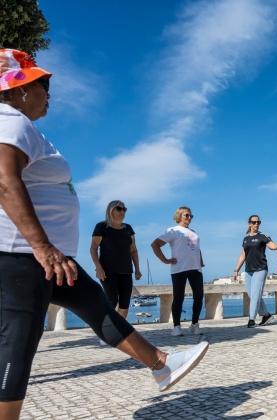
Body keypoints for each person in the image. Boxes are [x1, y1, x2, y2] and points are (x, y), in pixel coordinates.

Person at [0, 49, 208, 419]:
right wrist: (42, 246)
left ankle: (161, 363)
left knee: (98, 308)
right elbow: (4, 181)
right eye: (42, 84)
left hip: (51, 260)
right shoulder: (8, 121)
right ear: (18, 90)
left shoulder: (21, 125)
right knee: (17, 346)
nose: (49, 93)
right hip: (24, 257)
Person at [151, 207, 205, 337]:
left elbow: (197, 248)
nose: (189, 218)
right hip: (179, 268)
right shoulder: (173, 231)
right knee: (179, 297)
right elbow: (155, 244)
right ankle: (176, 326)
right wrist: (165, 260)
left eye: (191, 216)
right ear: (179, 216)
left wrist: (201, 261)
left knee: (198, 296)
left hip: (195, 268)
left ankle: (194, 324)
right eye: (187, 215)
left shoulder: (193, 232)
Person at [90, 200, 142, 322]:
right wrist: (98, 267)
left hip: (126, 271)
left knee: (125, 304)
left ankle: (117, 330)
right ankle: (104, 331)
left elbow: (133, 249)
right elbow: (93, 248)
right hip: (107, 271)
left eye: (124, 209)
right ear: (111, 210)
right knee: (111, 301)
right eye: (119, 209)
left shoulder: (128, 228)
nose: (122, 212)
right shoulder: (102, 227)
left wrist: (137, 269)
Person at [233, 214, 277, 328]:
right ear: (249, 224)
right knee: (253, 296)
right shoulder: (246, 239)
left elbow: (272, 246)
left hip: (260, 269)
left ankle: (251, 320)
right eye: (254, 222)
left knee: (256, 294)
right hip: (248, 271)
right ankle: (266, 315)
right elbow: (242, 256)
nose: (256, 224)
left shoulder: (263, 236)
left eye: (258, 222)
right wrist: (236, 270)